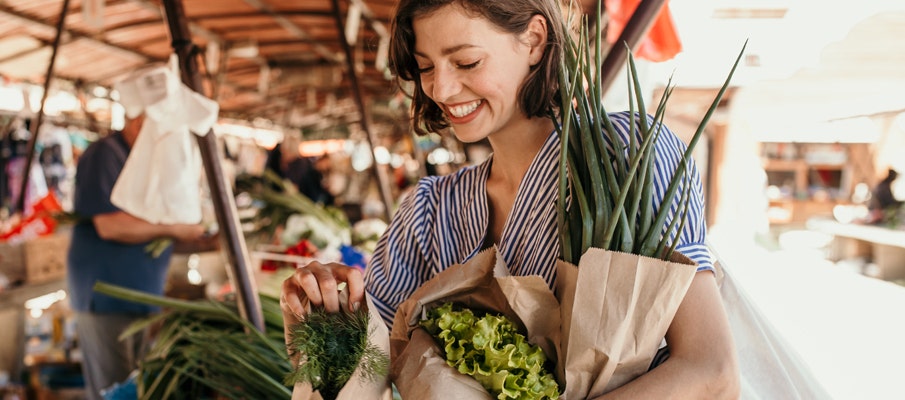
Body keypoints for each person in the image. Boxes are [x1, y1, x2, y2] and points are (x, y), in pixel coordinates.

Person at [280, 0, 739, 398]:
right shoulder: (430, 211)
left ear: (535, 40)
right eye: (425, 67)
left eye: (465, 62)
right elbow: (366, 367)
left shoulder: (628, 155)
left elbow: (711, 373)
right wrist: (325, 310)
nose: (439, 89)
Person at [66, 112, 207, 400]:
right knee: (114, 389)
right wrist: (176, 227)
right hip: (107, 296)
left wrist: (197, 239)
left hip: (140, 296)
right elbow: (109, 225)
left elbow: (153, 231)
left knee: (137, 387)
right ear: (137, 121)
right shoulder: (106, 154)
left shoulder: (145, 161)